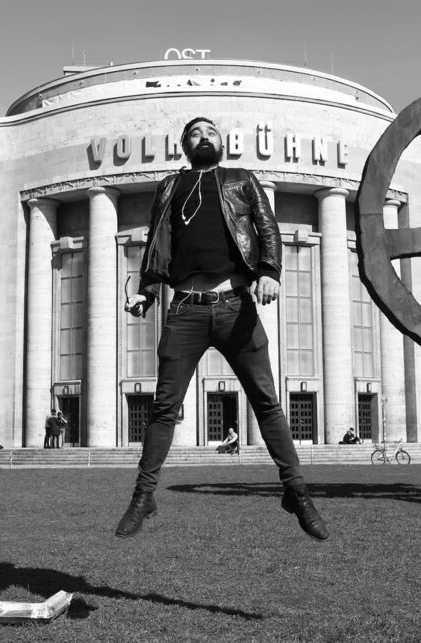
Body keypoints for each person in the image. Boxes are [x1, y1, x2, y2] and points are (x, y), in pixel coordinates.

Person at [115, 116, 329, 541]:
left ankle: (297, 492)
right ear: (184, 144)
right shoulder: (170, 187)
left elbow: (267, 229)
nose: (204, 138)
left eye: (210, 132)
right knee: (163, 407)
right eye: (195, 133)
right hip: (186, 311)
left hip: (235, 306)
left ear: (221, 142)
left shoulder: (240, 179)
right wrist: (147, 291)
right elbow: (159, 241)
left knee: (267, 403)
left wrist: (270, 271)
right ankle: (144, 495)